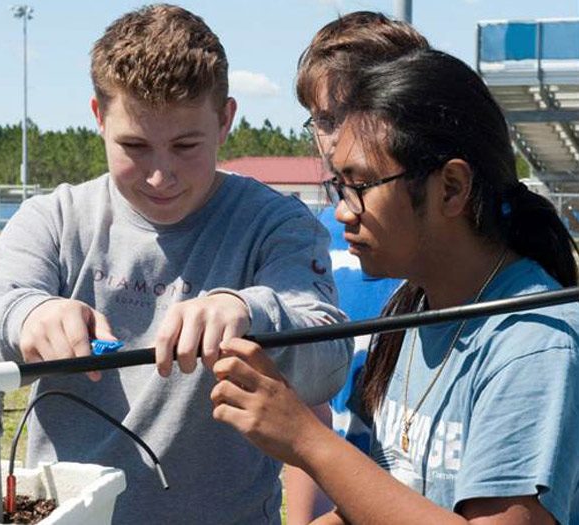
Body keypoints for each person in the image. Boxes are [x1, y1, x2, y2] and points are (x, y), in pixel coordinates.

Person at [0, 4, 352, 524]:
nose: (161, 176)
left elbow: (329, 360)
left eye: (186, 146)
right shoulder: (55, 218)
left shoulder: (277, 225)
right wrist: (25, 316)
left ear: (226, 119)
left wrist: (248, 311)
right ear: (98, 117)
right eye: (134, 146)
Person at [211, 47, 579, 524]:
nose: (342, 211)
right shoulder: (417, 310)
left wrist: (306, 440)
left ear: (450, 188)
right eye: (337, 187)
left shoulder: (533, 343)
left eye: (359, 185)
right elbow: (380, 506)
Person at [286, 13, 422, 523]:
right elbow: (315, 412)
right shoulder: (314, 240)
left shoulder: (448, 254)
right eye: (322, 120)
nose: (333, 139)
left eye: (352, 114)